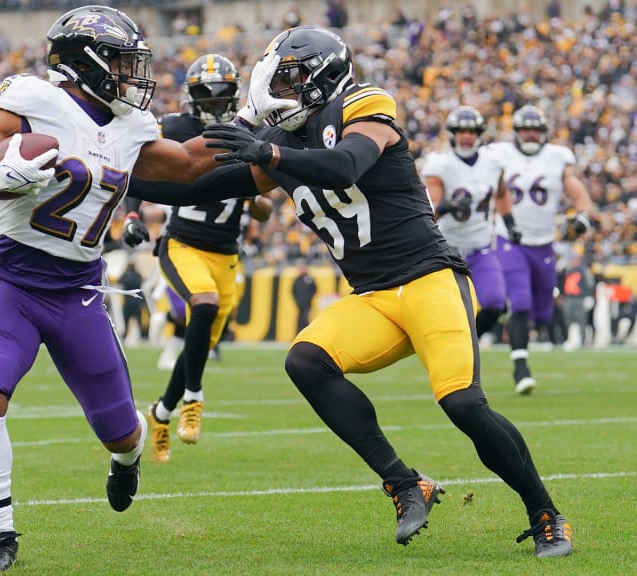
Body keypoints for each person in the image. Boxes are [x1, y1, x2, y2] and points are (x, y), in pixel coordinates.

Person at [196, 26, 572, 557]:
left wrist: (267, 154)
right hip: (372, 294)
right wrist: (118, 177)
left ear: (321, 75)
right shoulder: (281, 142)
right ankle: (404, 483)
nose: (281, 88)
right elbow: (196, 183)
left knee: (463, 403)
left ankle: (546, 513)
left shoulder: (364, 102)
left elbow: (345, 164)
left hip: (429, 278)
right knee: (305, 362)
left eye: (293, 77)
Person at [0, 6, 254, 571]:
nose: (133, 76)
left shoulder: (131, 127)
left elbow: (187, 166)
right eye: (124, 64)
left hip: (79, 292)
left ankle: (126, 463)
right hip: (14, 280)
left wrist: (274, 145)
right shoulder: (31, 100)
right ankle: (0, 535)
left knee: (123, 434)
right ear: (88, 64)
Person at [137, 53, 273, 464]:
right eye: (205, 97)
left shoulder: (245, 135)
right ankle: (194, 399)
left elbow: (263, 208)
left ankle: (160, 412)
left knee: (196, 347)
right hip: (183, 244)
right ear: (191, 97)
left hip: (226, 256)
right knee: (204, 304)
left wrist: (254, 191)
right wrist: (129, 214)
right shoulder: (175, 129)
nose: (213, 105)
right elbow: (135, 167)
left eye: (220, 97)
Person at [485, 105, 595, 394]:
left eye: (536, 129)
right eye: (525, 129)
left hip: (544, 242)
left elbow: (576, 189)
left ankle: (527, 340)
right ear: (517, 132)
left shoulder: (558, 157)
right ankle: (521, 369)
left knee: (543, 312)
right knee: (519, 302)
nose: (531, 134)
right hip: (510, 239)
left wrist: (583, 215)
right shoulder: (499, 154)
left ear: (545, 132)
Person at [420, 105, 519, 338]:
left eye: (472, 131)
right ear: (453, 134)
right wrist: (447, 206)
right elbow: (428, 211)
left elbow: (502, 194)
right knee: (449, 310)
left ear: (479, 134)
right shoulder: (440, 165)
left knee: (496, 303)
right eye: (461, 131)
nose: (467, 136)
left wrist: (510, 222)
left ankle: (467, 341)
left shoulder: (493, 162)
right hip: (448, 249)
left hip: (481, 245)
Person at [291, 259, 317, 333]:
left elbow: (314, 289)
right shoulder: (297, 279)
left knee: (305, 319)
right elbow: (293, 290)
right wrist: (297, 299)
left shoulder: (309, 278)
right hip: (299, 303)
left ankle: (305, 333)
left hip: (307, 303)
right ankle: (298, 334)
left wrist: (309, 298)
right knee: (299, 319)